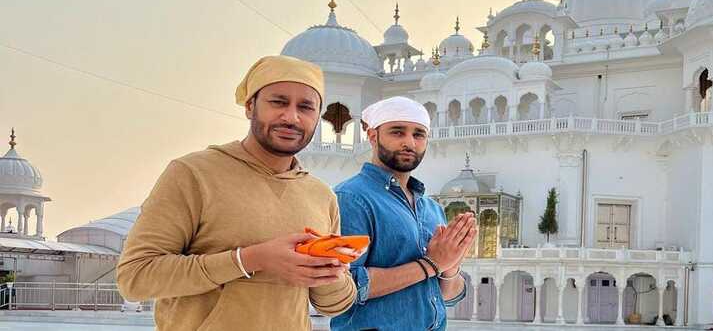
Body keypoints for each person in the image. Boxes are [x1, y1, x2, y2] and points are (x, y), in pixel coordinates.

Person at [116, 55, 356, 331]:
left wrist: (330, 270)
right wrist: (251, 259)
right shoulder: (194, 174)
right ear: (250, 106)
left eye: (306, 107)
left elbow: (334, 305)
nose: (291, 117)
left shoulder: (321, 195)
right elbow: (135, 278)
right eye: (278, 102)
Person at [331, 96, 477, 331]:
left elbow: (448, 296)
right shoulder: (351, 198)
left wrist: (449, 265)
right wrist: (431, 264)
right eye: (397, 132)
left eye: (418, 134)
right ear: (372, 136)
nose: (409, 142)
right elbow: (343, 286)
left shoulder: (432, 209)